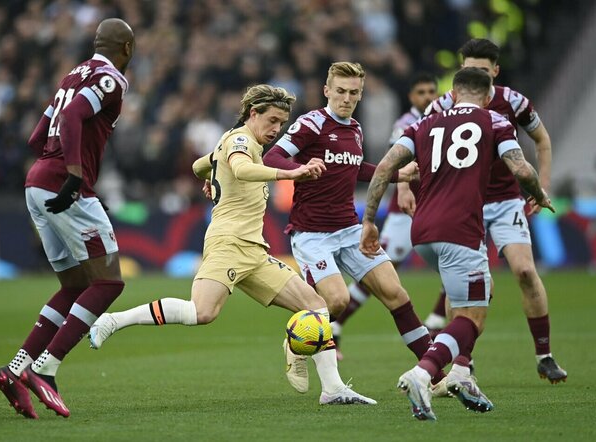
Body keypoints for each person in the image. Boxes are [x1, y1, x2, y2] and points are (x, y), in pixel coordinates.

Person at [89, 84, 377, 406]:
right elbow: (240, 168)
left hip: (254, 249)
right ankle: (112, 321)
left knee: (317, 307)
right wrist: (290, 174)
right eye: (272, 120)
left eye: (282, 123)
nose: (276, 129)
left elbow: (204, 164)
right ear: (253, 114)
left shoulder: (241, 143)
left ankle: (332, 388)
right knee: (201, 312)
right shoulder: (239, 139)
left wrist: (211, 175)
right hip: (228, 242)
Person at [360, 67, 555, 420]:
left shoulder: (424, 122)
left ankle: (462, 376)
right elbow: (521, 169)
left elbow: (385, 167)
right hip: (461, 230)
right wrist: (539, 194)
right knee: (472, 315)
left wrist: (370, 221)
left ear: (453, 92)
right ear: (488, 91)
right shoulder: (495, 121)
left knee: (483, 290)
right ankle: (423, 374)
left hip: (422, 231)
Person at [263, 62, 442, 395]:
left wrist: (397, 175)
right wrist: (299, 169)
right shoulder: (312, 123)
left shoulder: (355, 129)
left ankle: (436, 375)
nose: (346, 98)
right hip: (312, 234)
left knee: (396, 293)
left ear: (360, 94)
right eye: (340, 91)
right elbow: (272, 157)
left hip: (348, 229)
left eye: (354, 93)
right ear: (327, 90)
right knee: (337, 301)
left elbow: (355, 168)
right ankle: (295, 340)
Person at [0, 18, 135, 419]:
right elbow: (72, 118)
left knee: (74, 284)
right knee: (108, 282)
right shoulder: (112, 78)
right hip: (63, 183)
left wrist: (61, 163)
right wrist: (75, 173)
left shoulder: (72, 75)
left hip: (36, 181)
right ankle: (46, 369)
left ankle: (16, 368)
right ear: (127, 49)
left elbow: (37, 137)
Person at [422, 38, 567, 383]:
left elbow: (542, 139)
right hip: (462, 205)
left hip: (504, 202)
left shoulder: (513, 102)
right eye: (470, 70)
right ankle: (463, 361)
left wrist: (541, 185)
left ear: (495, 72)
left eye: (483, 71)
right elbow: (422, 148)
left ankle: (544, 355)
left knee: (525, 272)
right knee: (460, 287)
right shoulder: (442, 105)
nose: (477, 77)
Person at [331, 72, 441, 359]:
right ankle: (336, 325)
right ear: (411, 97)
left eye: (432, 90)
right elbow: (395, 158)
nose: (428, 96)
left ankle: (436, 327)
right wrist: (403, 188)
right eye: (421, 91)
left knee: (456, 269)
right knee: (378, 274)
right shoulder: (405, 124)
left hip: (436, 205)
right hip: (405, 210)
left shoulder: (444, 118)